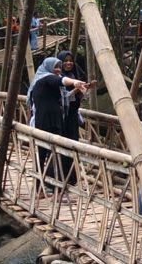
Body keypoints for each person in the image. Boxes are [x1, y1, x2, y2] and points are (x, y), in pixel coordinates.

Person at [27, 57, 89, 197]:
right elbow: (60, 80)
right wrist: (74, 82)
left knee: (55, 155)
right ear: (48, 67)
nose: (58, 70)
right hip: (44, 122)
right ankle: (39, 188)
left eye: (58, 67)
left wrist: (76, 88)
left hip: (55, 121)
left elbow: (65, 96)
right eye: (55, 67)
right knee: (43, 155)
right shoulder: (45, 78)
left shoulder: (50, 81)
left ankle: (55, 188)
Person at [57, 51, 90, 185]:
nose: (69, 63)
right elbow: (62, 98)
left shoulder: (74, 75)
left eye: (71, 60)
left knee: (73, 145)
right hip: (62, 117)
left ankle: (71, 178)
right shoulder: (58, 77)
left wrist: (84, 91)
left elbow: (77, 99)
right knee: (62, 146)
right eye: (66, 60)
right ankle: (60, 177)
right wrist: (76, 89)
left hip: (72, 116)